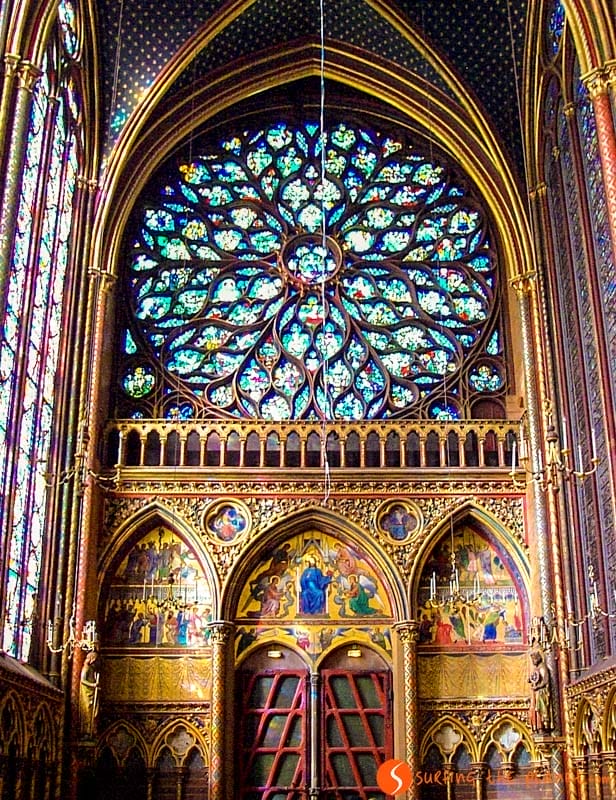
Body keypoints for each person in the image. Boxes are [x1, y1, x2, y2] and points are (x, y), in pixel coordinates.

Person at [528, 650, 553, 733]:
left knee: (540, 709)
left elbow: (545, 680)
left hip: (542, 692)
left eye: (534, 659)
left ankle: (543, 726)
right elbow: (535, 677)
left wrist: (538, 687)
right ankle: (538, 727)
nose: (533, 662)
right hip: (536, 692)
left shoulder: (542, 667)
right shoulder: (537, 668)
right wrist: (530, 680)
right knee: (536, 709)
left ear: (537, 658)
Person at [79, 646, 101, 738]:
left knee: (94, 712)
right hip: (86, 693)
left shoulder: (93, 669)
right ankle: (86, 731)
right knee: (87, 712)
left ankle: (92, 730)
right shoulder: (86, 668)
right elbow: (82, 680)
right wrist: (93, 685)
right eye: (94, 660)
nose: (95, 662)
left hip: (92, 692)